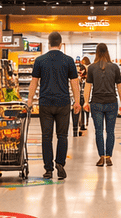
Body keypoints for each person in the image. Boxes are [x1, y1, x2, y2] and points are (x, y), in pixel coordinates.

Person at [26, 31, 81, 179]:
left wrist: (30, 100)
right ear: (61, 44)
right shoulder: (68, 60)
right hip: (63, 103)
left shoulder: (40, 60)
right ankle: (60, 164)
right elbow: (74, 83)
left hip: (45, 103)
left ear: (48, 44)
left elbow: (34, 82)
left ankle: (48, 169)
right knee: (62, 136)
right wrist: (77, 101)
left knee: (46, 136)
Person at [84, 44, 121, 167]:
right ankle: (108, 157)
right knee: (110, 131)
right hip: (111, 103)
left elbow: (88, 87)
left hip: (96, 103)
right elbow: (120, 87)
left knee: (98, 131)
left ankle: (101, 157)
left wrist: (86, 102)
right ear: (107, 52)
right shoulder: (114, 67)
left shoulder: (92, 68)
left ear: (96, 52)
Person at [74, 56, 90, 136]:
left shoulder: (87, 72)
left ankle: (83, 124)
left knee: (84, 110)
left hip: (83, 95)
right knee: (83, 111)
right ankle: (82, 124)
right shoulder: (83, 75)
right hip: (82, 95)